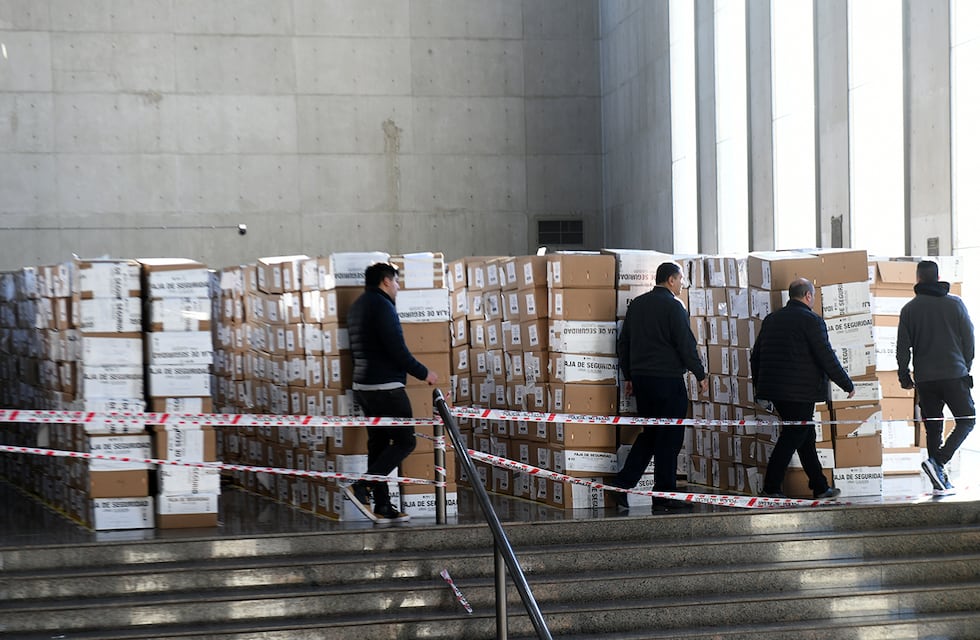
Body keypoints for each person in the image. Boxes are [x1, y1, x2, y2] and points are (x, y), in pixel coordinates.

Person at [609, 261, 708, 512]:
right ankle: (664, 495)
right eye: (681, 279)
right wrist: (700, 374)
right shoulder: (674, 307)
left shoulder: (638, 305)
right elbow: (685, 343)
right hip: (667, 380)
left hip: (643, 381)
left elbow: (624, 343)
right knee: (670, 437)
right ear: (671, 280)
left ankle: (622, 484)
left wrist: (629, 376)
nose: (683, 284)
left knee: (651, 435)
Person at [344, 262, 438, 523]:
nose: (397, 287)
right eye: (396, 281)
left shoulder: (357, 307)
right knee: (406, 441)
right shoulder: (383, 307)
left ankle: (383, 505)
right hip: (386, 388)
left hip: (363, 388)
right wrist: (424, 373)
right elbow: (397, 350)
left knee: (379, 444)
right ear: (386, 281)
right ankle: (363, 485)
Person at [751, 277, 854, 500]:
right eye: (813, 296)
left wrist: (759, 388)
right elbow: (826, 355)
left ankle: (820, 486)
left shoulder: (771, 319)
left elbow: (755, 356)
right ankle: (771, 487)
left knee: (805, 436)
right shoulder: (812, 320)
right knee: (793, 435)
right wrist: (846, 383)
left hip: (776, 391)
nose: (814, 299)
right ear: (808, 296)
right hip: (800, 392)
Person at [896, 260, 975, 495]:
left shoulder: (909, 309)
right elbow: (969, 340)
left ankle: (937, 477)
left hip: (925, 379)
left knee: (933, 427)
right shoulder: (955, 304)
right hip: (954, 374)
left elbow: (902, 347)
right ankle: (939, 463)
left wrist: (904, 375)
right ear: (938, 277)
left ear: (918, 279)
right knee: (967, 419)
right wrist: (965, 365)